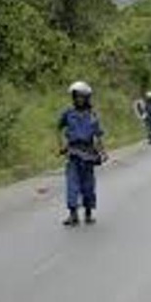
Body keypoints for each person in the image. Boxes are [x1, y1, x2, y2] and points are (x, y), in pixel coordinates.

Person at [57, 81, 107, 226]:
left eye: (82, 97)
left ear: (87, 98)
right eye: (76, 96)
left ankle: (88, 213)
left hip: (89, 153)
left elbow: (98, 135)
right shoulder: (68, 113)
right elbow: (58, 128)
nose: (79, 99)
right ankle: (73, 214)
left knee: (88, 185)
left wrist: (103, 152)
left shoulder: (92, 114)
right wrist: (61, 146)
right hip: (73, 152)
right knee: (72, 183)